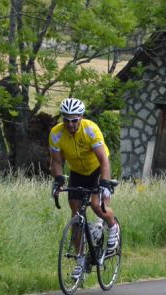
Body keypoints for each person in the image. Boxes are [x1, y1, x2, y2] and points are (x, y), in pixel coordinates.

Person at [49, 97, 120, 278]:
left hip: (97, 169)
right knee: (76, 216)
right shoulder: (56, 134)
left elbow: (104, 159)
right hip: (77, 172)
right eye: (66, 120)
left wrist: (105, 183)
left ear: (81, 117)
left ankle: (113, 227)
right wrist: (58, 180)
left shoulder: (90, 129)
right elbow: (56, 161)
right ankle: (80, 260)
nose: (70, 124)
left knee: (96, 205)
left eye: (74, 120)